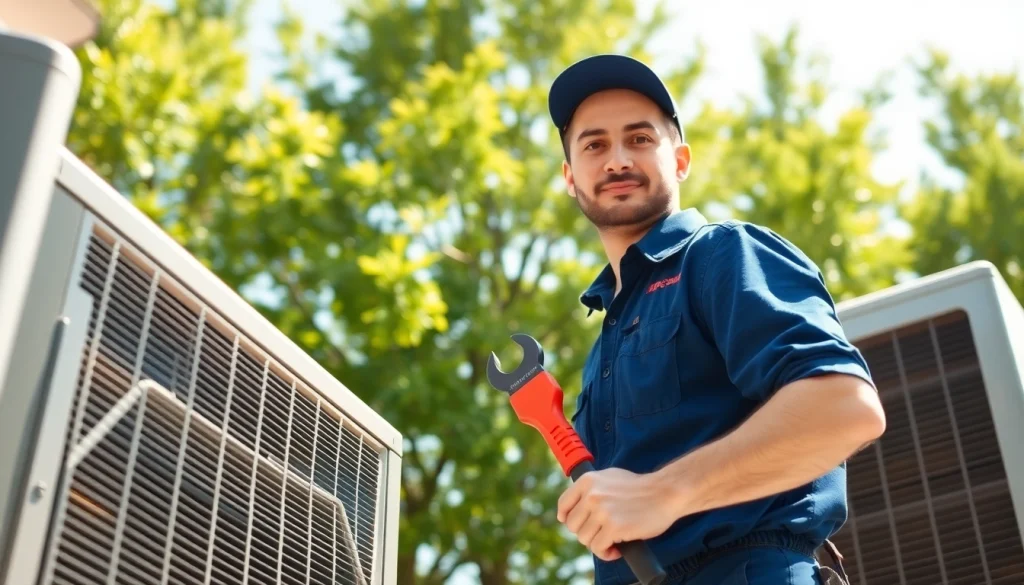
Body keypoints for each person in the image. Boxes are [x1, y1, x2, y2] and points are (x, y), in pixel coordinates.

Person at [546, 54, 887, 585]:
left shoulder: (723, 255)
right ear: (570, 177)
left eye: (639, 139)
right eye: (594, 145)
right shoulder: (607, 336)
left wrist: (662, 493)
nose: (616, 160)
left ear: (681, 160)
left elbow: (845, 408)